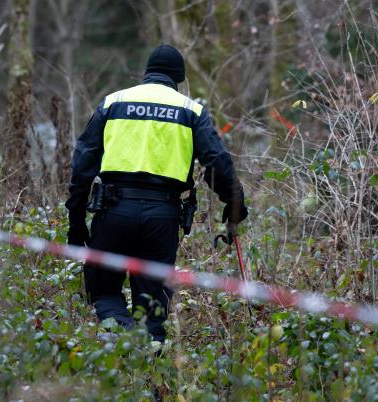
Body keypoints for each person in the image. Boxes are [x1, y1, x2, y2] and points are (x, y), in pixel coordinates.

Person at [66, 44, 248, 343]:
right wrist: (234, 201)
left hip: (112, 212)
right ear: (179, 78)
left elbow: (82, 166)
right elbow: (216, 161)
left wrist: (76, 222)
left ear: (146, 74)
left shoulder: (113, 102)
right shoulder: (192, 111)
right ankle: (148, 369)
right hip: (162, 218)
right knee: (152, 308)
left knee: (105, 293)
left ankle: (121, 343)